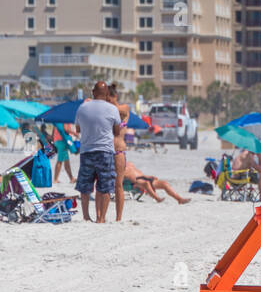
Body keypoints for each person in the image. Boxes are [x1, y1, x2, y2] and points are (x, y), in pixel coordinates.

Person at [75, 81, 123, 223]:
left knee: (85, 186)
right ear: (107, 94)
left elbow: (78, 129)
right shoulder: (112, 109)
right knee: (105, 185)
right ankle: (101, 218)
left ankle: (86, 216)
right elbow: (116, 131)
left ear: (93, 92)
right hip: (105, 151)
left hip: (87, 150)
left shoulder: (82, 107)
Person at [105, 84, 130, 222]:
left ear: (115, 97)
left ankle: (118, 218)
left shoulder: (124, 109)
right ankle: (102, 215)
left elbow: (117, 108)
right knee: (104, 184)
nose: (107, 102)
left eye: (109, 99)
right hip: (105, 150)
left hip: (119, 151)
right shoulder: (106, 110)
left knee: (118, 185)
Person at [123, 161, 191, 204]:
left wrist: (149, 176)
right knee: (146, 183)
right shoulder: (120, 168)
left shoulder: (130, 163)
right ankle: (157, 198)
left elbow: (139, 173)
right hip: (136, 182)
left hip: (144, 177)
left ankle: (179, 199)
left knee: (164, 183)